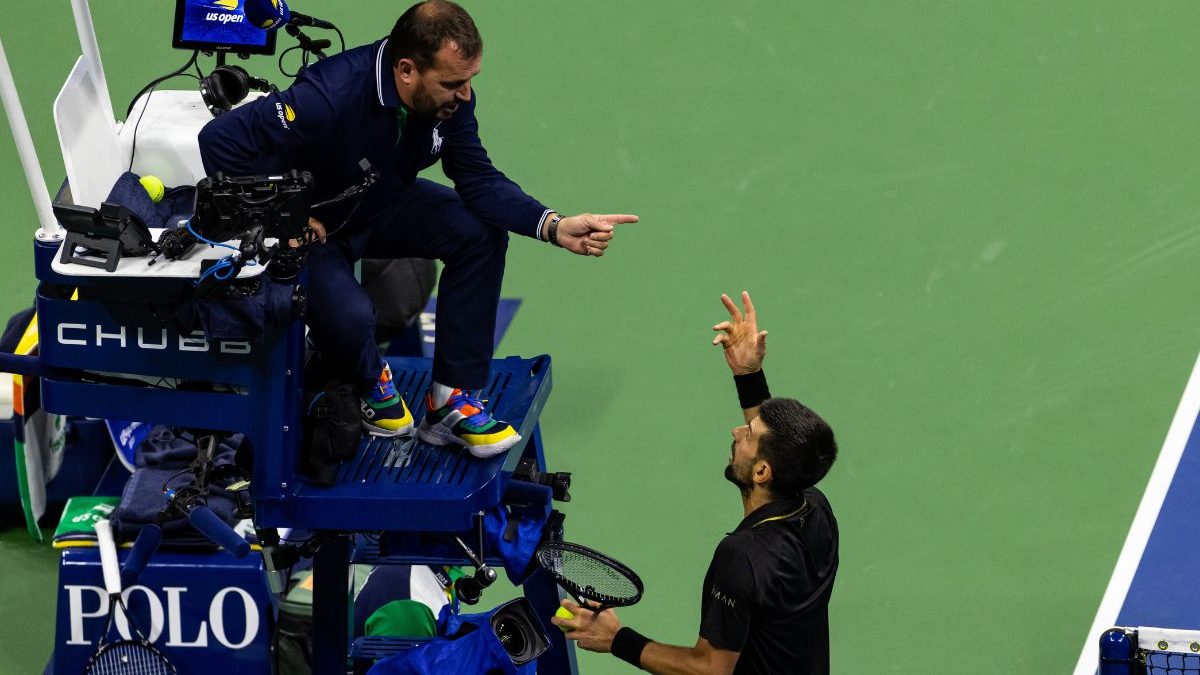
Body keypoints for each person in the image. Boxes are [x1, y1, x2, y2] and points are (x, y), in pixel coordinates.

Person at [198, 1, 637, 457]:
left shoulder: (449, 101)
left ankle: (450, 401)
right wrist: (279, 220)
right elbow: (220, 142)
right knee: (352, 319)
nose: (465, 94)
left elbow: (477, 178)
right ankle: (372, 381)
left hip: (377, 206)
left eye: (470, 80)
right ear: (406, 70)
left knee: (478, 233)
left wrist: (553, 224)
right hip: (314, 231)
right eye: (452, 83)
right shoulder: (328, 96)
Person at [552, 291, 839, 674]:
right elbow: (775, 450)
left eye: (748, 434)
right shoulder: (815, 509)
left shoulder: (742, 558)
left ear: (762, 473)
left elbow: (710, 669)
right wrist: (748, 374)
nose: (737, 432)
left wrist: (617, 639)